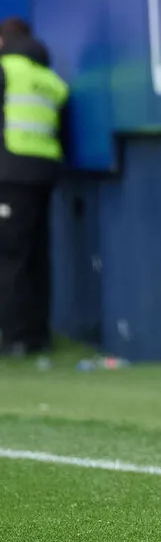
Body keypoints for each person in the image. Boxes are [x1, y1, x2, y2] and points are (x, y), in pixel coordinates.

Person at [0, 22, 66, 356]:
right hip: (45, 174)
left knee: (11, 256)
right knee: (37, 256)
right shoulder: (51, 81)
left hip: (9, 173)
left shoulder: (5, 71)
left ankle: (13, 338)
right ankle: (37, 335)